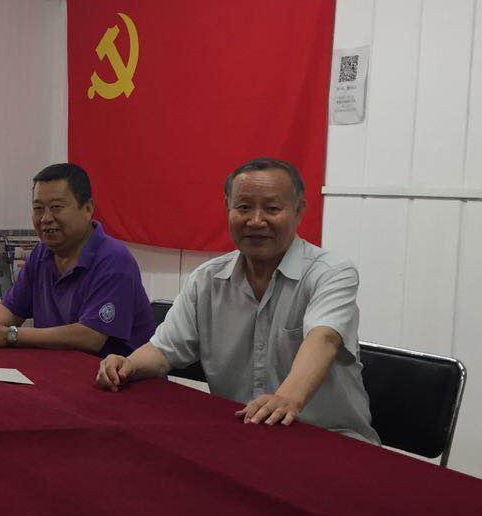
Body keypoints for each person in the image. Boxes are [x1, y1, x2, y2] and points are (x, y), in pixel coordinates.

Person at [95, 157, 379, 444]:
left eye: (272, 208)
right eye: (243, 207)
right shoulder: (207, 280)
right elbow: (164, 350)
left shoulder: (331, 273)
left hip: (329, 439)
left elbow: (324, 338)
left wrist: (285, 399)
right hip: (243, 434)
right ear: (227, 208)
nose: (255, 221)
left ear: (299, 210)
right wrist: (127, 365)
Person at [0, 163, 152, 355]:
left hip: (115, 380)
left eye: (56, 207)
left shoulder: (114, 260)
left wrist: (10, 335)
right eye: (38, 209)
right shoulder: (41, 253)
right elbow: (10, 311)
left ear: (87, 209)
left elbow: (90, 337)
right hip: (60, 371)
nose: (46, 218)